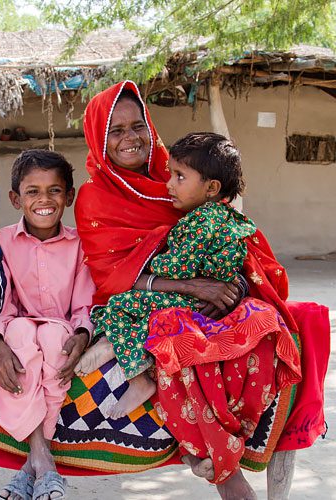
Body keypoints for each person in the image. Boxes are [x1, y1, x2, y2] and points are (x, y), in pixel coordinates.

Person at [74, 81, 303, 499]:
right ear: (98, 138)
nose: (130, 138)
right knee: (173, 338)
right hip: (151, 294)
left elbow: (233, 239)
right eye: (116, 130)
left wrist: (234, 284)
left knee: (243, 338)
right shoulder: (95, 197)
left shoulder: (176, 174)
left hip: (203, 293)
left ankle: (224, 445)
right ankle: (215, 460)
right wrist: (191, 287)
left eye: (136, 125)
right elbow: (109, 274)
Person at [0, 149, 95, 500]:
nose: (44, 200)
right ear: (16, 198)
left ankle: (33, 464)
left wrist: (82, 333)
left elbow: (83, 305)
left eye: (55, 190)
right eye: (32, 191)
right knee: (20, 331)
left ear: (69, 196)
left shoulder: (81, 245)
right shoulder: (1, 243)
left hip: (59, 328)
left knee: (53, 334)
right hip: (17, 330)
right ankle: (43, 461)